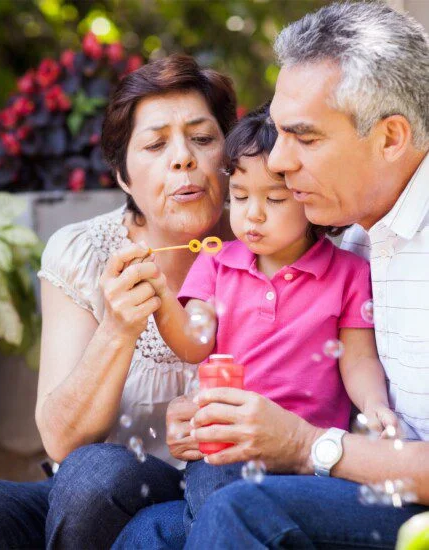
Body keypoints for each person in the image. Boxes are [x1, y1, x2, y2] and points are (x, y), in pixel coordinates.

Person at [115, 3, 429, 548]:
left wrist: (306, 443)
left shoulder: (347, 253)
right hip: (358, 475)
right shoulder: (351, 227)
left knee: (240, 510)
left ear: (391, 137)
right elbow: (202, 338)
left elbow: (352, 375)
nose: (278, 162)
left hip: (402, 497)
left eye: (304, 138)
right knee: (148, 531)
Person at [0, 55, 237, 549]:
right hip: (83, 501)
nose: (183, 158)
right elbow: (61, 441)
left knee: (95, 472)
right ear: (123, 175)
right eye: (155, 144)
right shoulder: (84, 250)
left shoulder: (265, 246)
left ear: (229, 153)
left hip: (203, 494)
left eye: (203, 138)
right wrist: (117, 330)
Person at [140, 101, 397, 533]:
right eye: (240, 197)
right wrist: (161, 298)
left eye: (274, 199)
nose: (252, 214)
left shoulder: (349, 273)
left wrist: (374, 405)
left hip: (306, 455)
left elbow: (358, 359)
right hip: (227, 444)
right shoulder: (217, 265)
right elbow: (194, 341)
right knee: (213, 488)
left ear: (307, 196)